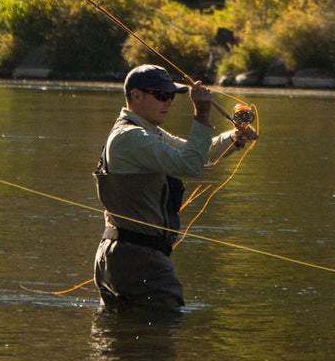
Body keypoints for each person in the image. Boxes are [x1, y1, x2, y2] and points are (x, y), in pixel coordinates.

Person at [92, 64, 258, 311]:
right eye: (161, 95)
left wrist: (233, 137)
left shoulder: (145, 133)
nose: (169, 102)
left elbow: (198, 154)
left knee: (125, 331)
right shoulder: (132, 137)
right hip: (139, 259)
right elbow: (190, 165)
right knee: (164, 325)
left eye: (171, 95)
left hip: (122, 257)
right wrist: (202, 113)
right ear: (136, 96)